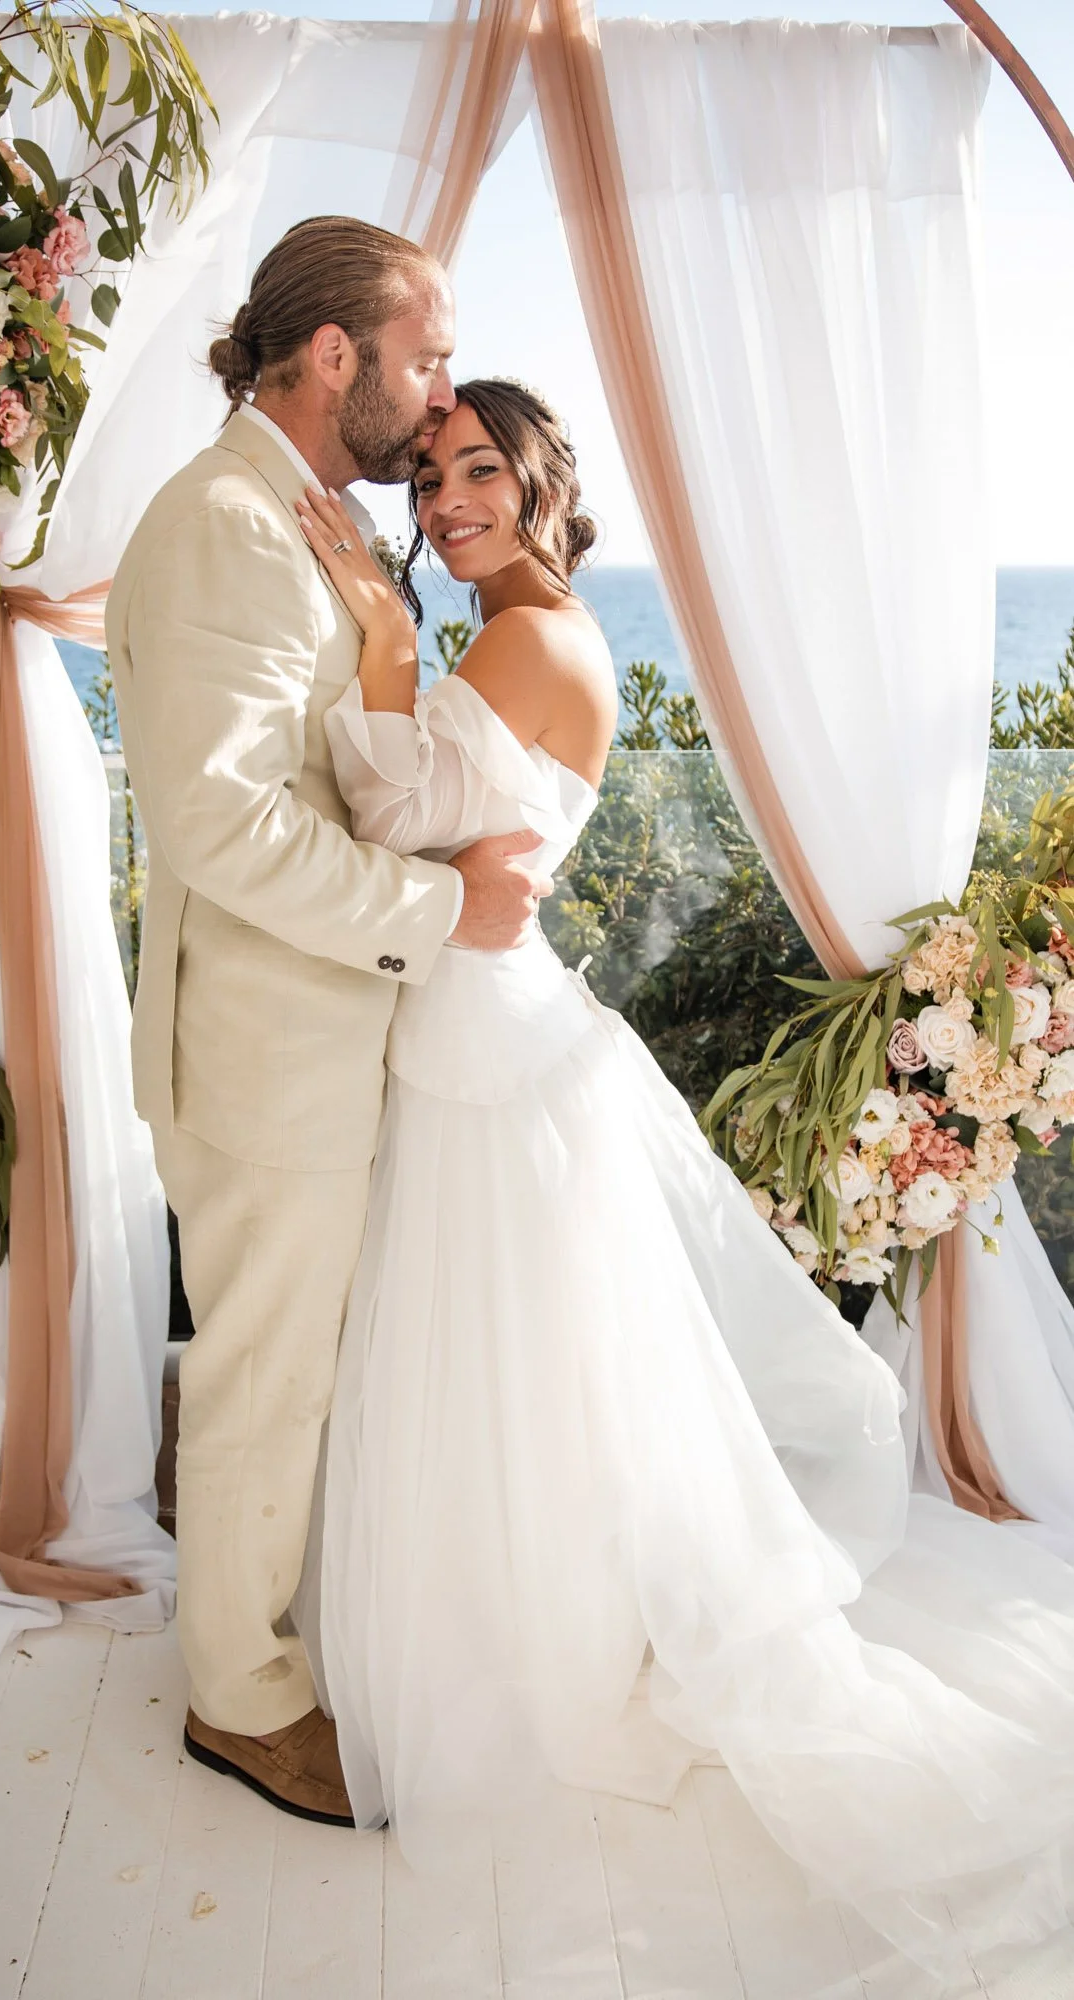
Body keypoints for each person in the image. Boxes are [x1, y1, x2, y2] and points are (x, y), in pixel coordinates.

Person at [294, 377, 1074, 1976]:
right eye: (429, 476)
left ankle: (519, 1643)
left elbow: (379, 802)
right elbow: (439, 837)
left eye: (479, 472)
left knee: (500, 1359)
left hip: (485, 1051)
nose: (447, 503)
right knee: (524, 1372)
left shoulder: (520, 640)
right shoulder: (532, 635)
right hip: (481, 1026)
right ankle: (520, 1611)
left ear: (541, 484)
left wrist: (377, 643)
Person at [104, 221, 551, 1826]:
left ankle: (240, 1571)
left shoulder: (292, 524)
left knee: (278, 1365)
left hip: (306, 1036)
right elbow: (223, 826)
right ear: (339, 354)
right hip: (262, 1051)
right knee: (267, 1383)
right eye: (428, 359)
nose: (440, 404)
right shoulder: (229, 525)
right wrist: (446, 911)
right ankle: (241, 1697)